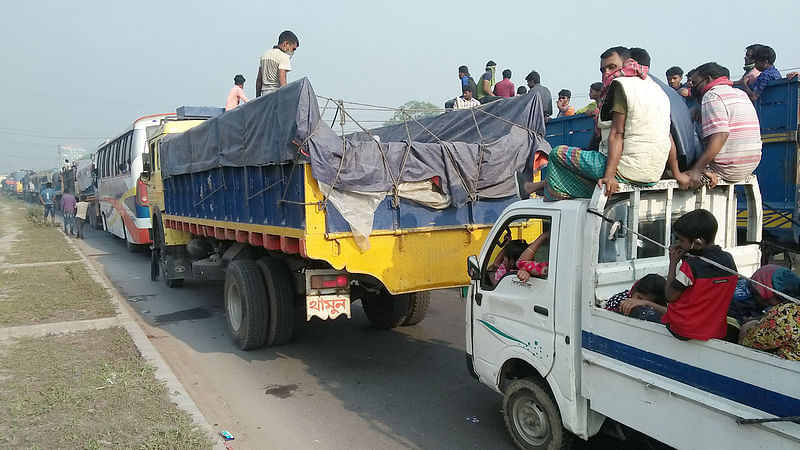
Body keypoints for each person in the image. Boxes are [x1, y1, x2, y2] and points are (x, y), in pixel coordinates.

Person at [515, 47, 672, 200]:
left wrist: (609, 176)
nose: (607, 73)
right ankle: (538, 188)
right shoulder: (657, 89)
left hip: (625, 170)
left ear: (627, 64)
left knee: (557, 154)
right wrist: (677, 174)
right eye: (603, 70)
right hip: (652, 173)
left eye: (612, 67)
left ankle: (551, 190)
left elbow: (617, 134)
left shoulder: (621, 85)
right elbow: (668, 136)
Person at [668, 62, 762, 190]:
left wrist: (697, 169)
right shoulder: (740, 94)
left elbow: (721, 135)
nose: (692, 88)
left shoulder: (711, 95)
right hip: (749, 165)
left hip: (727, 168)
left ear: (707, 80)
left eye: (695, 83)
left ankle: (701, 167)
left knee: (688, 129)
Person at [662, 209, 737, 341]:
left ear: (697, 243)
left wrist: (673, 263)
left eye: (681, 240)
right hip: (714, 330)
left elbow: (670, 296)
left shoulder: (691, 266)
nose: (678, 244)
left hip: (683, 330)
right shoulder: (728, 260)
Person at [256, 30, 299, 97]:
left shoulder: (264, 55)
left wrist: (258, 98)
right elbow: (282, 78)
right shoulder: (283, 57)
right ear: (286, 44)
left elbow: (259, 79)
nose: (292, 52)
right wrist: (286, 97)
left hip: (264, 96)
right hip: (276, 94)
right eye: (293, 49)